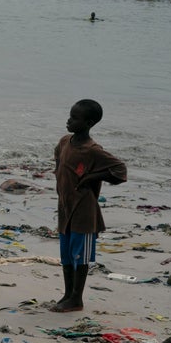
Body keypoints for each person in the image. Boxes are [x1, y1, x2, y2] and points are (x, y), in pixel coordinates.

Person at [50, 99, 127, 313]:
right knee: (66, 254)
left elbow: (120, 171)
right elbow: (59, 159)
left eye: (75, 118)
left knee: (80, 257)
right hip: (65, 208)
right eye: (70, 115)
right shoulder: (65, 142)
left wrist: (91, 177)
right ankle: (67, 294)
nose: (69, 120)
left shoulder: (92, 150)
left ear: (89, 123)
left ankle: (77, 298)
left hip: (84, 211)